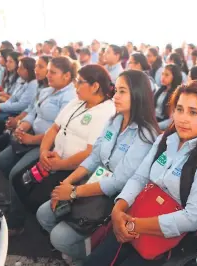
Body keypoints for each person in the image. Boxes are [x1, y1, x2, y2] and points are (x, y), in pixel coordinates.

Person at [83, 80, 197, 266]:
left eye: (193, 112)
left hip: (169, 241)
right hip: (137, 216)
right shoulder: (167, 139)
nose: (183, 118)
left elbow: (191, 218)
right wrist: (118, 209)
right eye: (179, 109)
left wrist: (134, 224)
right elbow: (140, 177)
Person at [36, 70, 160, 264]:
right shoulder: (114, 120)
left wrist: (74, 192)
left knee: (59, 237)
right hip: (91, 184)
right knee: (44, 213)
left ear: (138, 94)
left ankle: (85, 254)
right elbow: (94, 157)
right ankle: (76, 250)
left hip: (115, 199)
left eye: (122, 91)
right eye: (116, 90)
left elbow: (118, 181)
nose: (115, 96)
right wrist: (65, 184)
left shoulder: (146, 135)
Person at [7, 64, 116, 235]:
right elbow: (54, 129)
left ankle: (39, 231)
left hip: (73, 170)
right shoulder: (77, 101)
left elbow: (90, 152)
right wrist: (43, 152)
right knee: (19, 179)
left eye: (80, 82)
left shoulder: (106, 111)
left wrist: (60, 165)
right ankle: (27, 221)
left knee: (36, 196)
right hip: (53, 158)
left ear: (95, 86)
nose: (75, 86)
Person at [0, 56, 78, 235]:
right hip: (30, 137)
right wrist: (23, 124)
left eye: (53, 72)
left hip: (47, 146)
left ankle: (17, 222)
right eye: (47, 71)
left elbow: (59, 131)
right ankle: (20, 200)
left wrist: (31, 140)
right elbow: (33, 112)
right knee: (2, 161)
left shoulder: (70, 98)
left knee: (16, 174)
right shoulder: (48, 91)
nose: (48, 75)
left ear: (66, 76)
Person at [0, 57, 38, 138]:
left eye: (20, 68)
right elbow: (13, 98)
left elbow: (22, 105)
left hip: (17, 113)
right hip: (10, 109)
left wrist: (0, 106)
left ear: (28, 70)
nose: (18, 70)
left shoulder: (33, 84)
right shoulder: (24, 81)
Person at [154, 64, 182, 130]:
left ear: (174, 77)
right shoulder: (161, 90)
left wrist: (154, 126)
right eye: (162, 74)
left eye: (166, 75)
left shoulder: (176, 94)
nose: (163, 77)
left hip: (161, 125)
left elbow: (171, 120)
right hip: (154, 120)